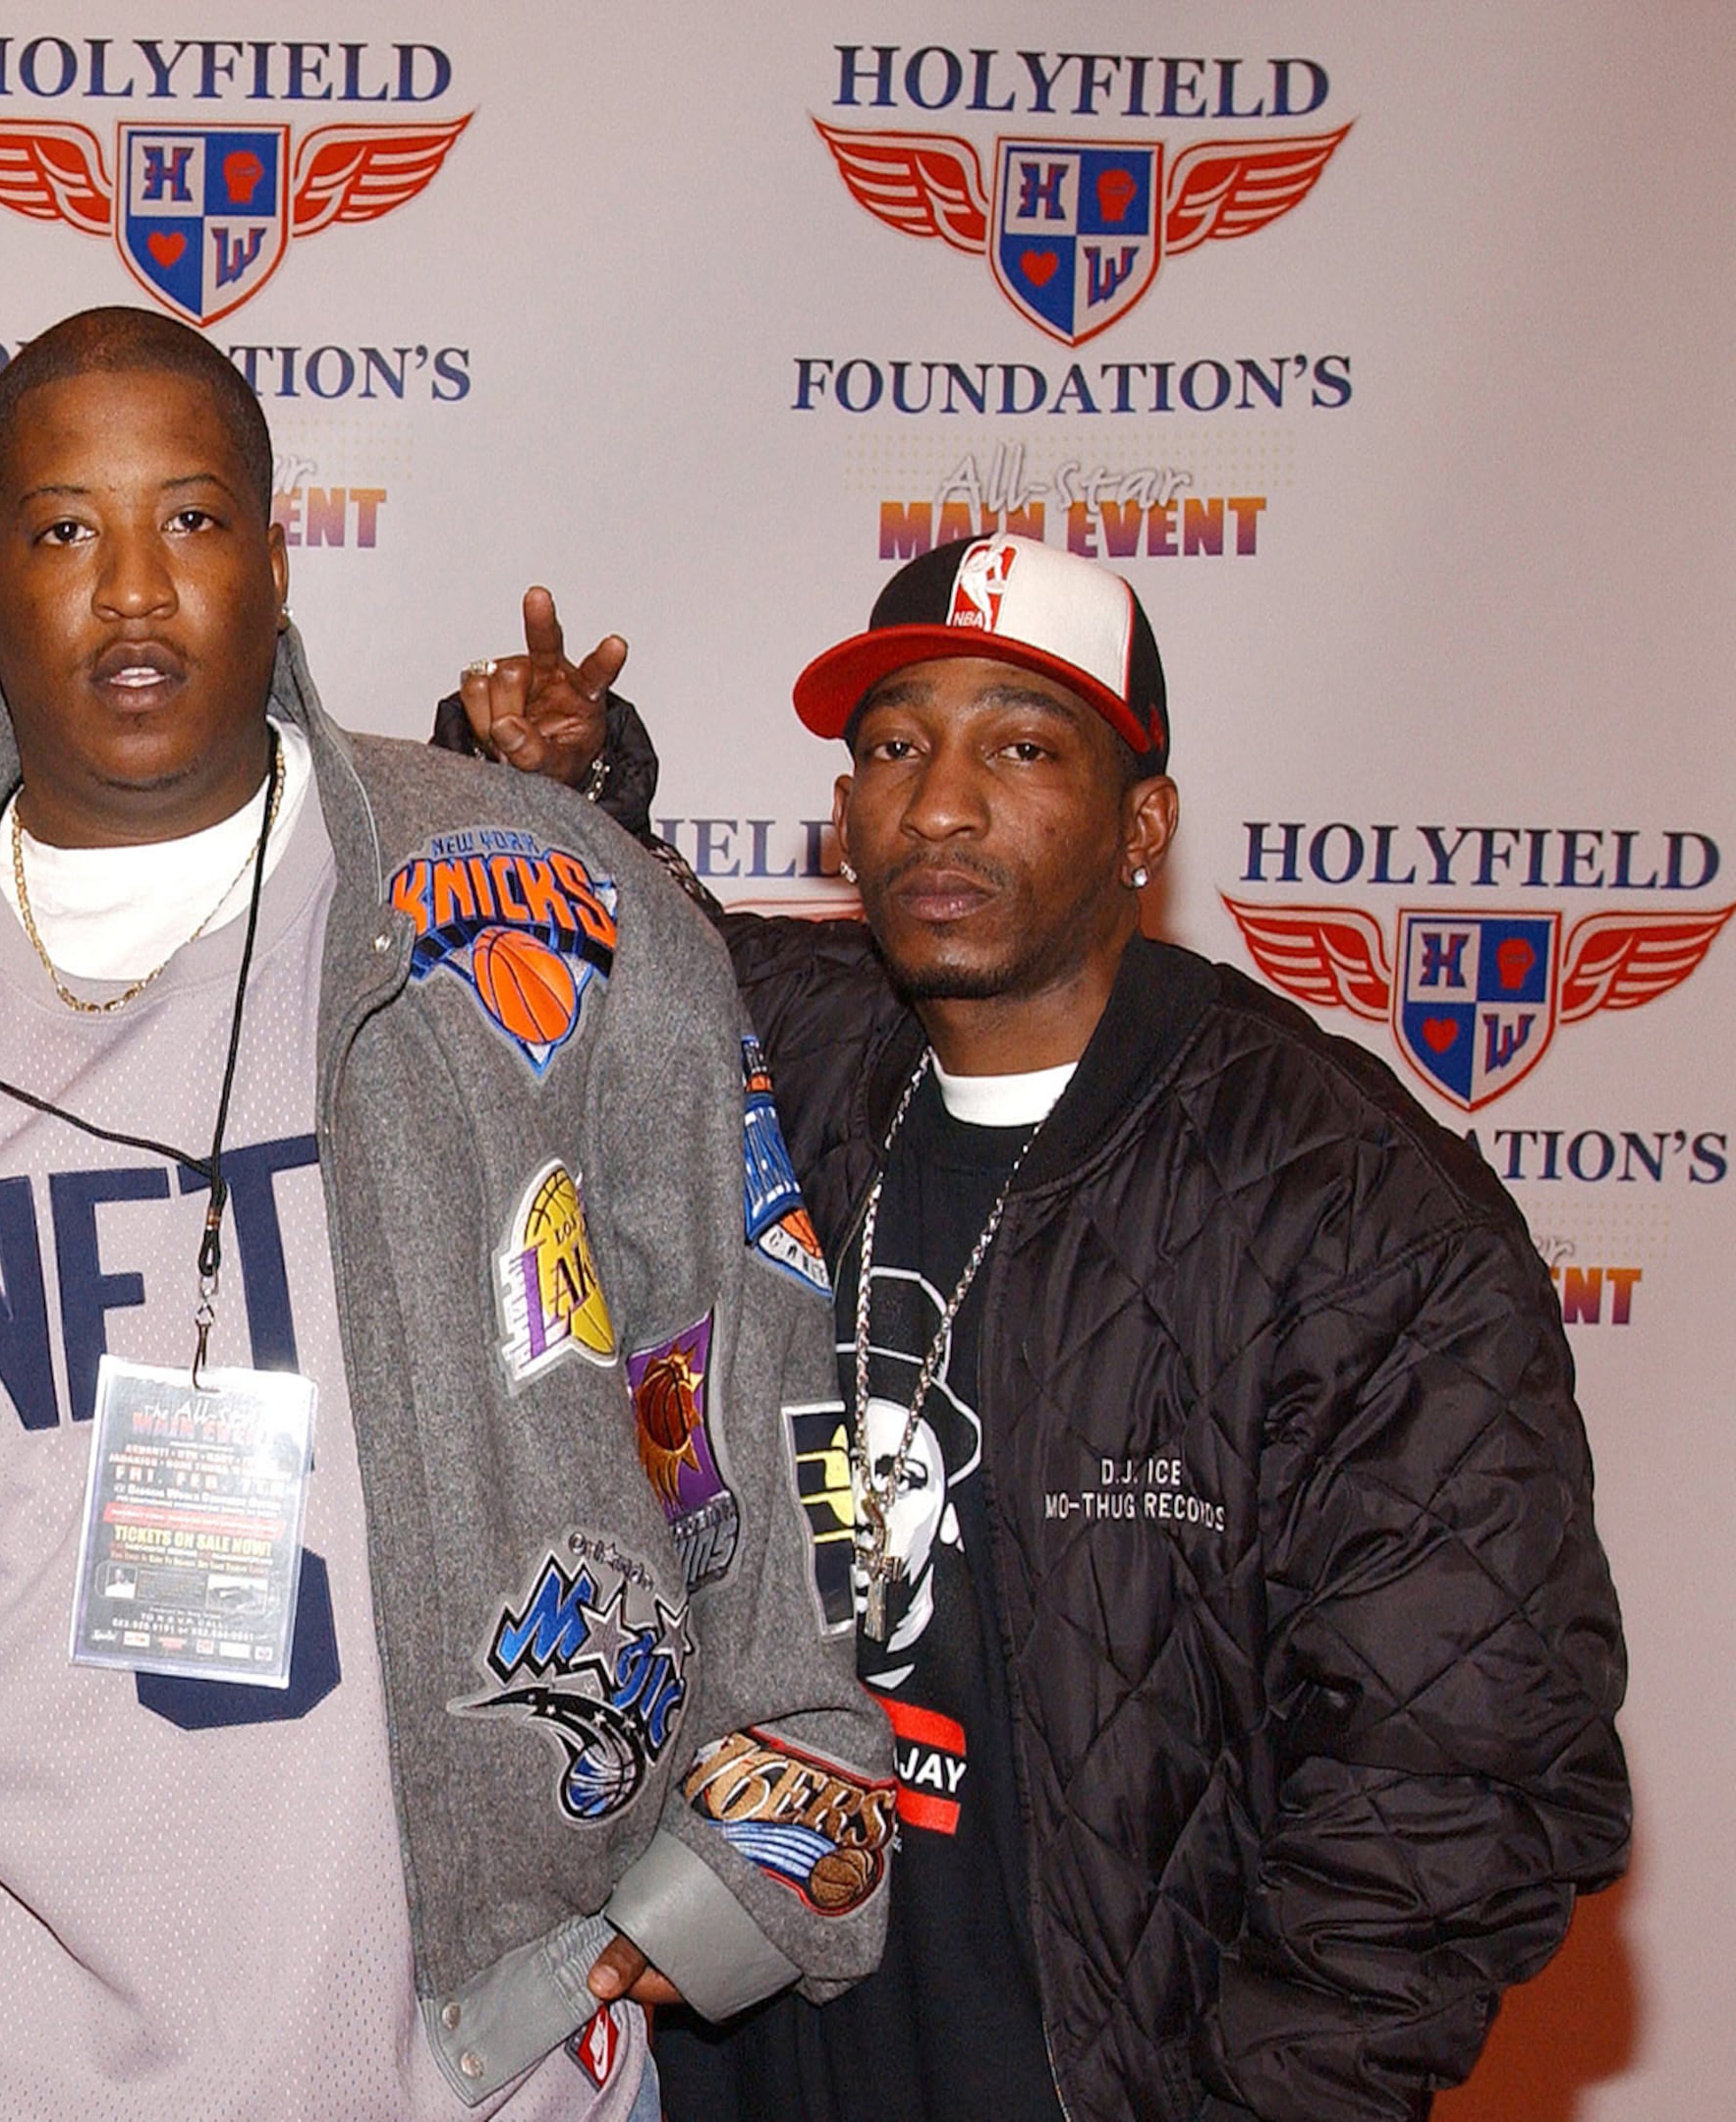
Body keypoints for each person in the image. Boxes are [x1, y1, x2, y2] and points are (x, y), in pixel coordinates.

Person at [0, 307, 892, 2122]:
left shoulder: (546, 919)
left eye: (194, 520)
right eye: (66, 532)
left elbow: (754, 1368)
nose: (133, 591)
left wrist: (757, 1848)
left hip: (455, 2063)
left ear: (281, 554)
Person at [452, 535, 1634, 2121]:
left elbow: (1460, 1775)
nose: (940, 802)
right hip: (736, 2064)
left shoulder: (1349, 1210)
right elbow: (601, 964)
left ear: (1141, 822)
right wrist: (560, 789)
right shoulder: (783, 1053)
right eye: (893, 747)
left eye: (1020, 746)